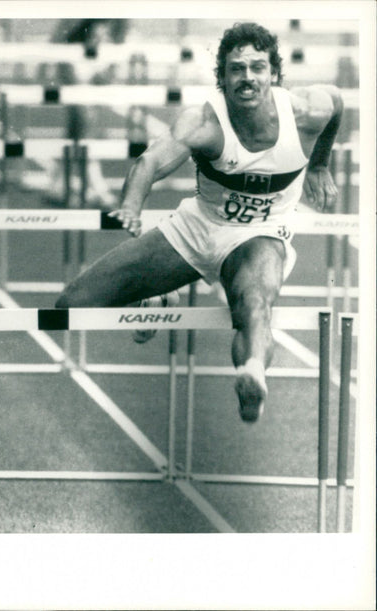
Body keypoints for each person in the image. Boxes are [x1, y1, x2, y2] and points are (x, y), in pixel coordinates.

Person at [55, 22, 343, 422]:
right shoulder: (205, 122)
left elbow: (336, 104)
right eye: (236, 69)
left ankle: (253, 374)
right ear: (222, 78)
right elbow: (150, 162)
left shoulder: (305, 110)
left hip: (261, 234)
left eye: (257, 68)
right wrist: (131, 206)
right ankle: (158, 294)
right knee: (70, 306)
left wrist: (320, 164)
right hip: (197, 228)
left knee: (255, 302)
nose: (247, 78)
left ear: (274, 73)